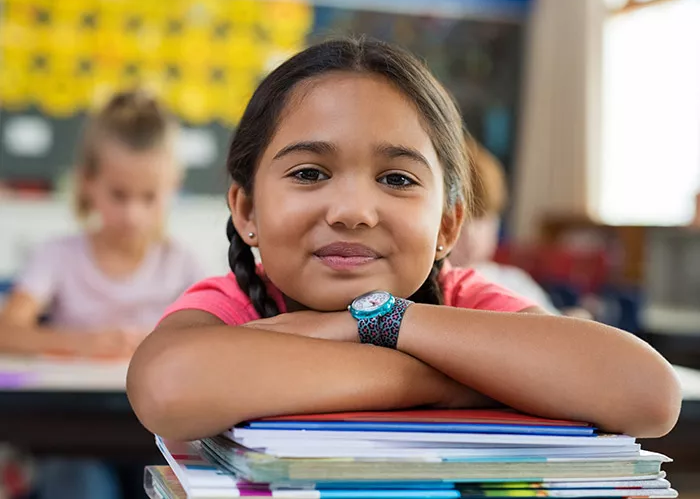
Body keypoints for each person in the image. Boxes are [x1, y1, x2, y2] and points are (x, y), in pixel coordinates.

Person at [127, 38, 680, 445]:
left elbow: (649, 394)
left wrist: (382, 321)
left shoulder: (465, 299)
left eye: (397, 179)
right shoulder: (234, 307)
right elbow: (169, 385)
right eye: (309, 173)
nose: (351, 212)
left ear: (447, 226)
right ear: (246, 209)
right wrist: (455, 381)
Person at [0, 89, 203, 499]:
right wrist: (85, 343)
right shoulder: (57, 256)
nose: (133, 214)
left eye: (149, 197)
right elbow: (7, 331)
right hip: (73, 434)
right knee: (80, 485)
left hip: (159, 432)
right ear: (88, 183)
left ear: (173, 188)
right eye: (119, 195)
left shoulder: (183, 264)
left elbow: (218, 340)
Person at [449, 145, 561, 315]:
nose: (470, 235)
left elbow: (557, 326)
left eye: (481, 218)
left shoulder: (513, 281)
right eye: (461, 221)